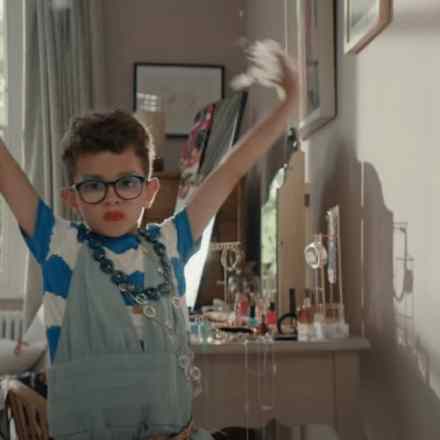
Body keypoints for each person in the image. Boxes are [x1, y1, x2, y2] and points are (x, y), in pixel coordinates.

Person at [0, 41, 297, 440]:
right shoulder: (61, 246)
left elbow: (230, 171)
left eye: (127, 183)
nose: (112, 198)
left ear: (150, 191)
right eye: (94, 186)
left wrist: (287, 106)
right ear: (72, 198)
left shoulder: (171, 242)